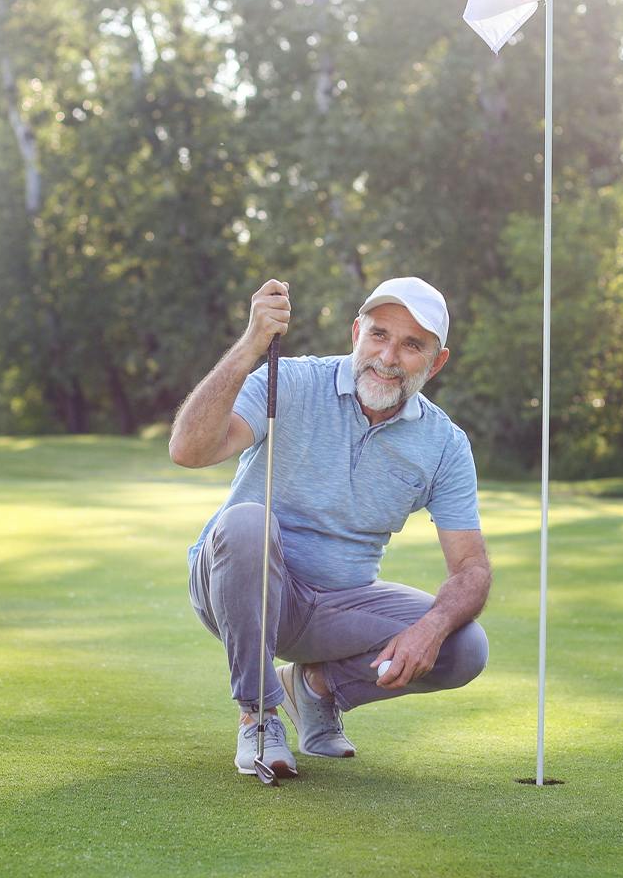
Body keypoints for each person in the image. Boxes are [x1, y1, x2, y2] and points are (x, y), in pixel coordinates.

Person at [169, 276, 492, 778]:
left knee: (464, 647)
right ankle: (258, 716)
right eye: (379, 335)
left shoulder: (445, 444)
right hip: (235, 583)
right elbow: (188, 450)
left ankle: (317, 689)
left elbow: (471, 569)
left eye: (412, 346)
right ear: (356, 332)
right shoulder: (290, 381)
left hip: (335, 611)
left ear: (437, 361)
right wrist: (252, 345)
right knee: (247, 523)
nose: (388, 357)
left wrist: (430, 628)